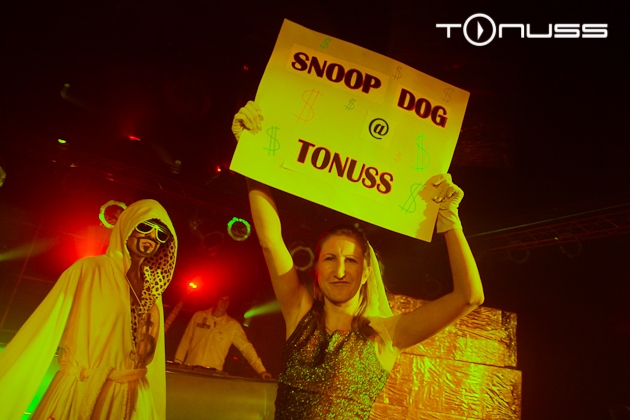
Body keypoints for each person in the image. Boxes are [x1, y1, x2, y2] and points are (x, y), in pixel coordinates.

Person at [232, 101, 484, 419]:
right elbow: (270, 242)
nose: (340, 270)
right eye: (330, 258)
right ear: (317, 268)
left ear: (366, 272)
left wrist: (450, 220)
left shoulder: (387, 335)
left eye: (351, 261)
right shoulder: (299, 313)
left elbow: (469, 296)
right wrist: (252, 155)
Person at [0, 199, 177, 420]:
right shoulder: (88, 271)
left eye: (161, 234)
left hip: (132, 397)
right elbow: (43, 329)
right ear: (127, 226)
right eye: (145, 226)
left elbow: (152, 356)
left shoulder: (152, 289)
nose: (152, 236)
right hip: (80, 390)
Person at [174, 294, 273, 380]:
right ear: (216, 300)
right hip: (190, 371)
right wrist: (176, 366)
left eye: (227, 300)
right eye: (221, 299)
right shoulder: (199, 316)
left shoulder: (232, 326)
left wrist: (261, 370)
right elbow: (185, 341)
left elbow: (246, 348)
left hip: (212, 377)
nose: (224, 303)